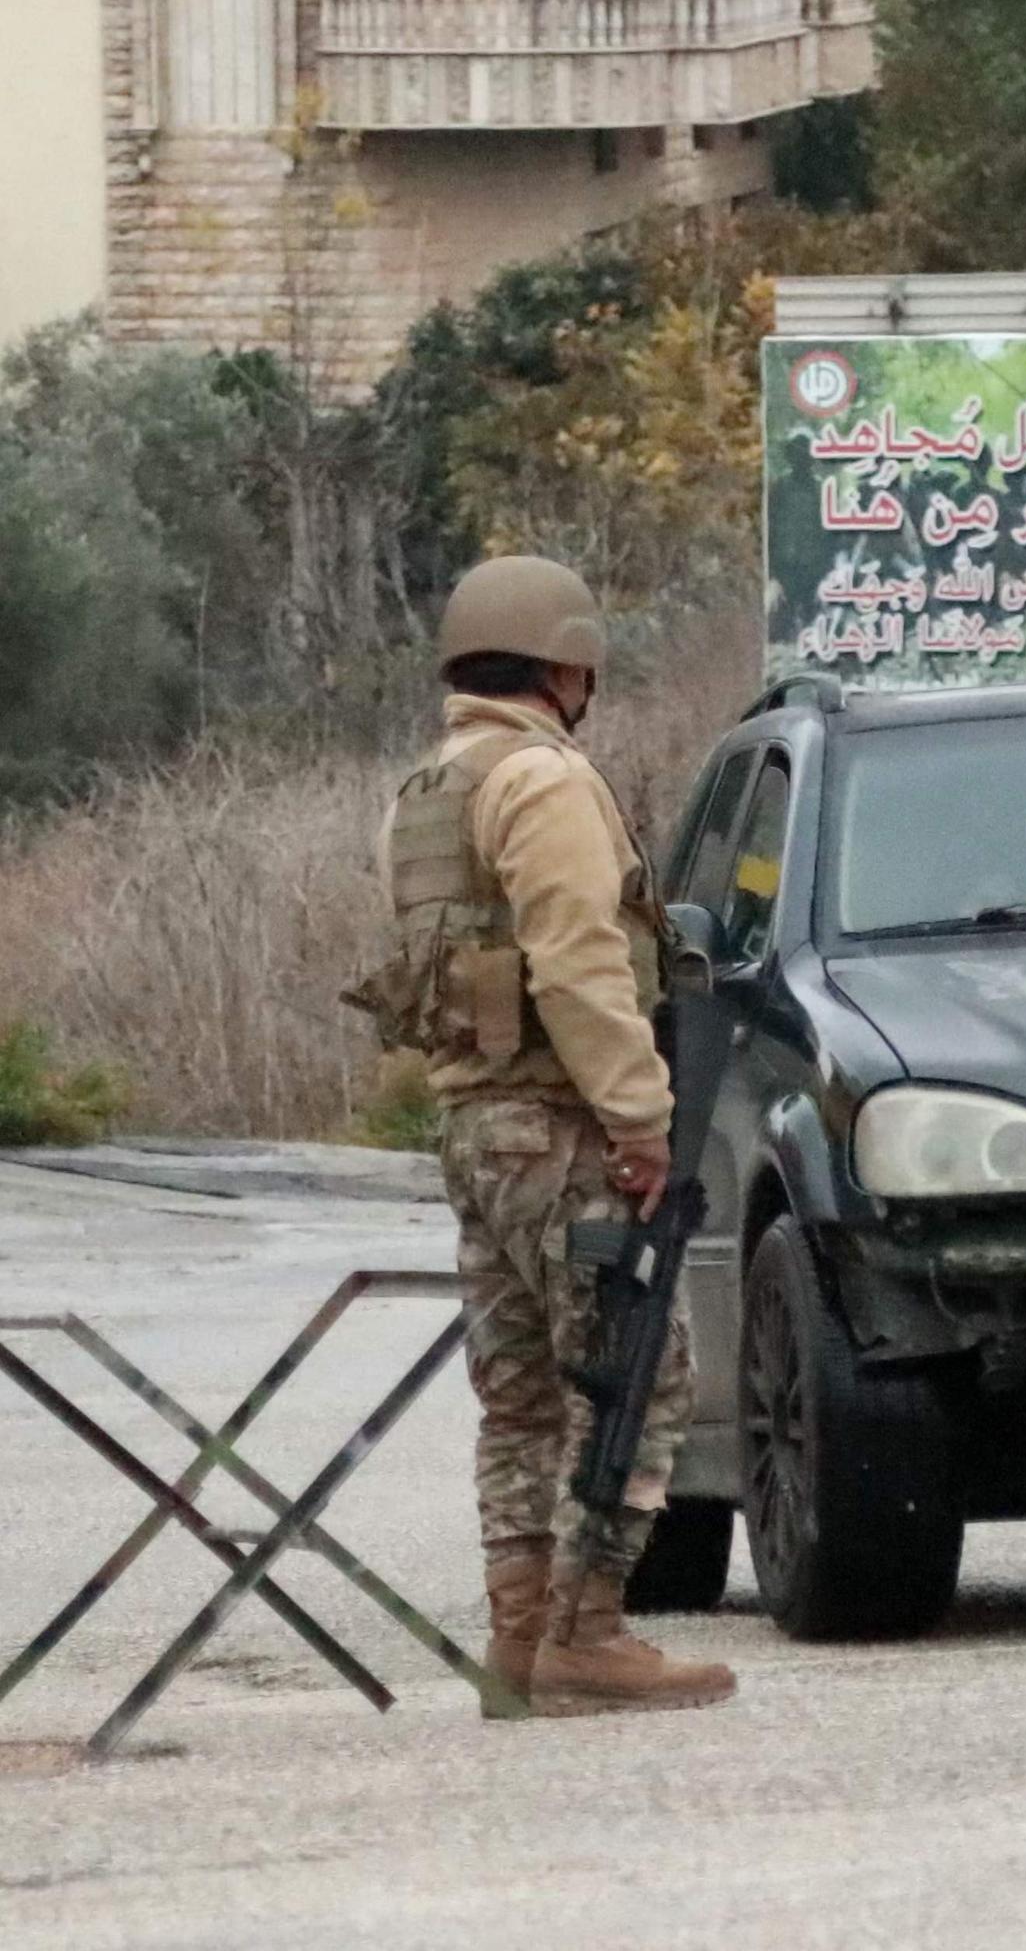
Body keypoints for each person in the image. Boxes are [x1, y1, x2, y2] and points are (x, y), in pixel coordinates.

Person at [353, 557, 734, 1715]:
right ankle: (587, 1632)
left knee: (519, 1391)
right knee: (637, 1369)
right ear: (567, 664)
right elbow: (576, 962)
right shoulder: (540, 779)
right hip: (559, 1122)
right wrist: (641, 1117)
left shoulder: (424, 786)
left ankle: (519, 1646)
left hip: (470, 1120)